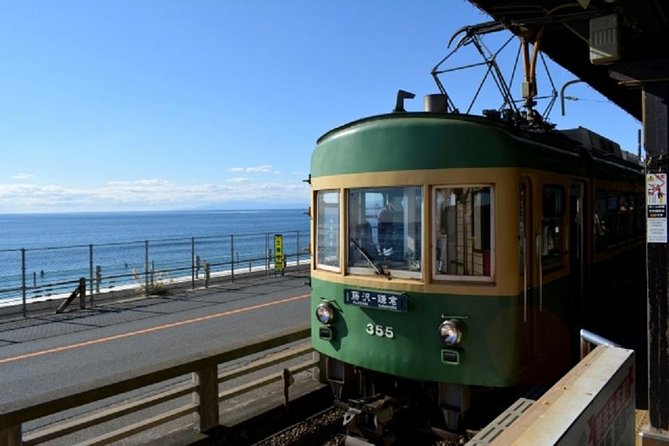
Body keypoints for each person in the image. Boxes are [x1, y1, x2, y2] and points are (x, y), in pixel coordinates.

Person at [377, 193, 403, 259]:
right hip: (388, 244)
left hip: (399, 242)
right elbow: (380, 232)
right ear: (391, 202)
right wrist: (382, 248)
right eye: (398, 201)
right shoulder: (383, 213)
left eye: (400, 201)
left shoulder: (402, 211)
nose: (400, 204)